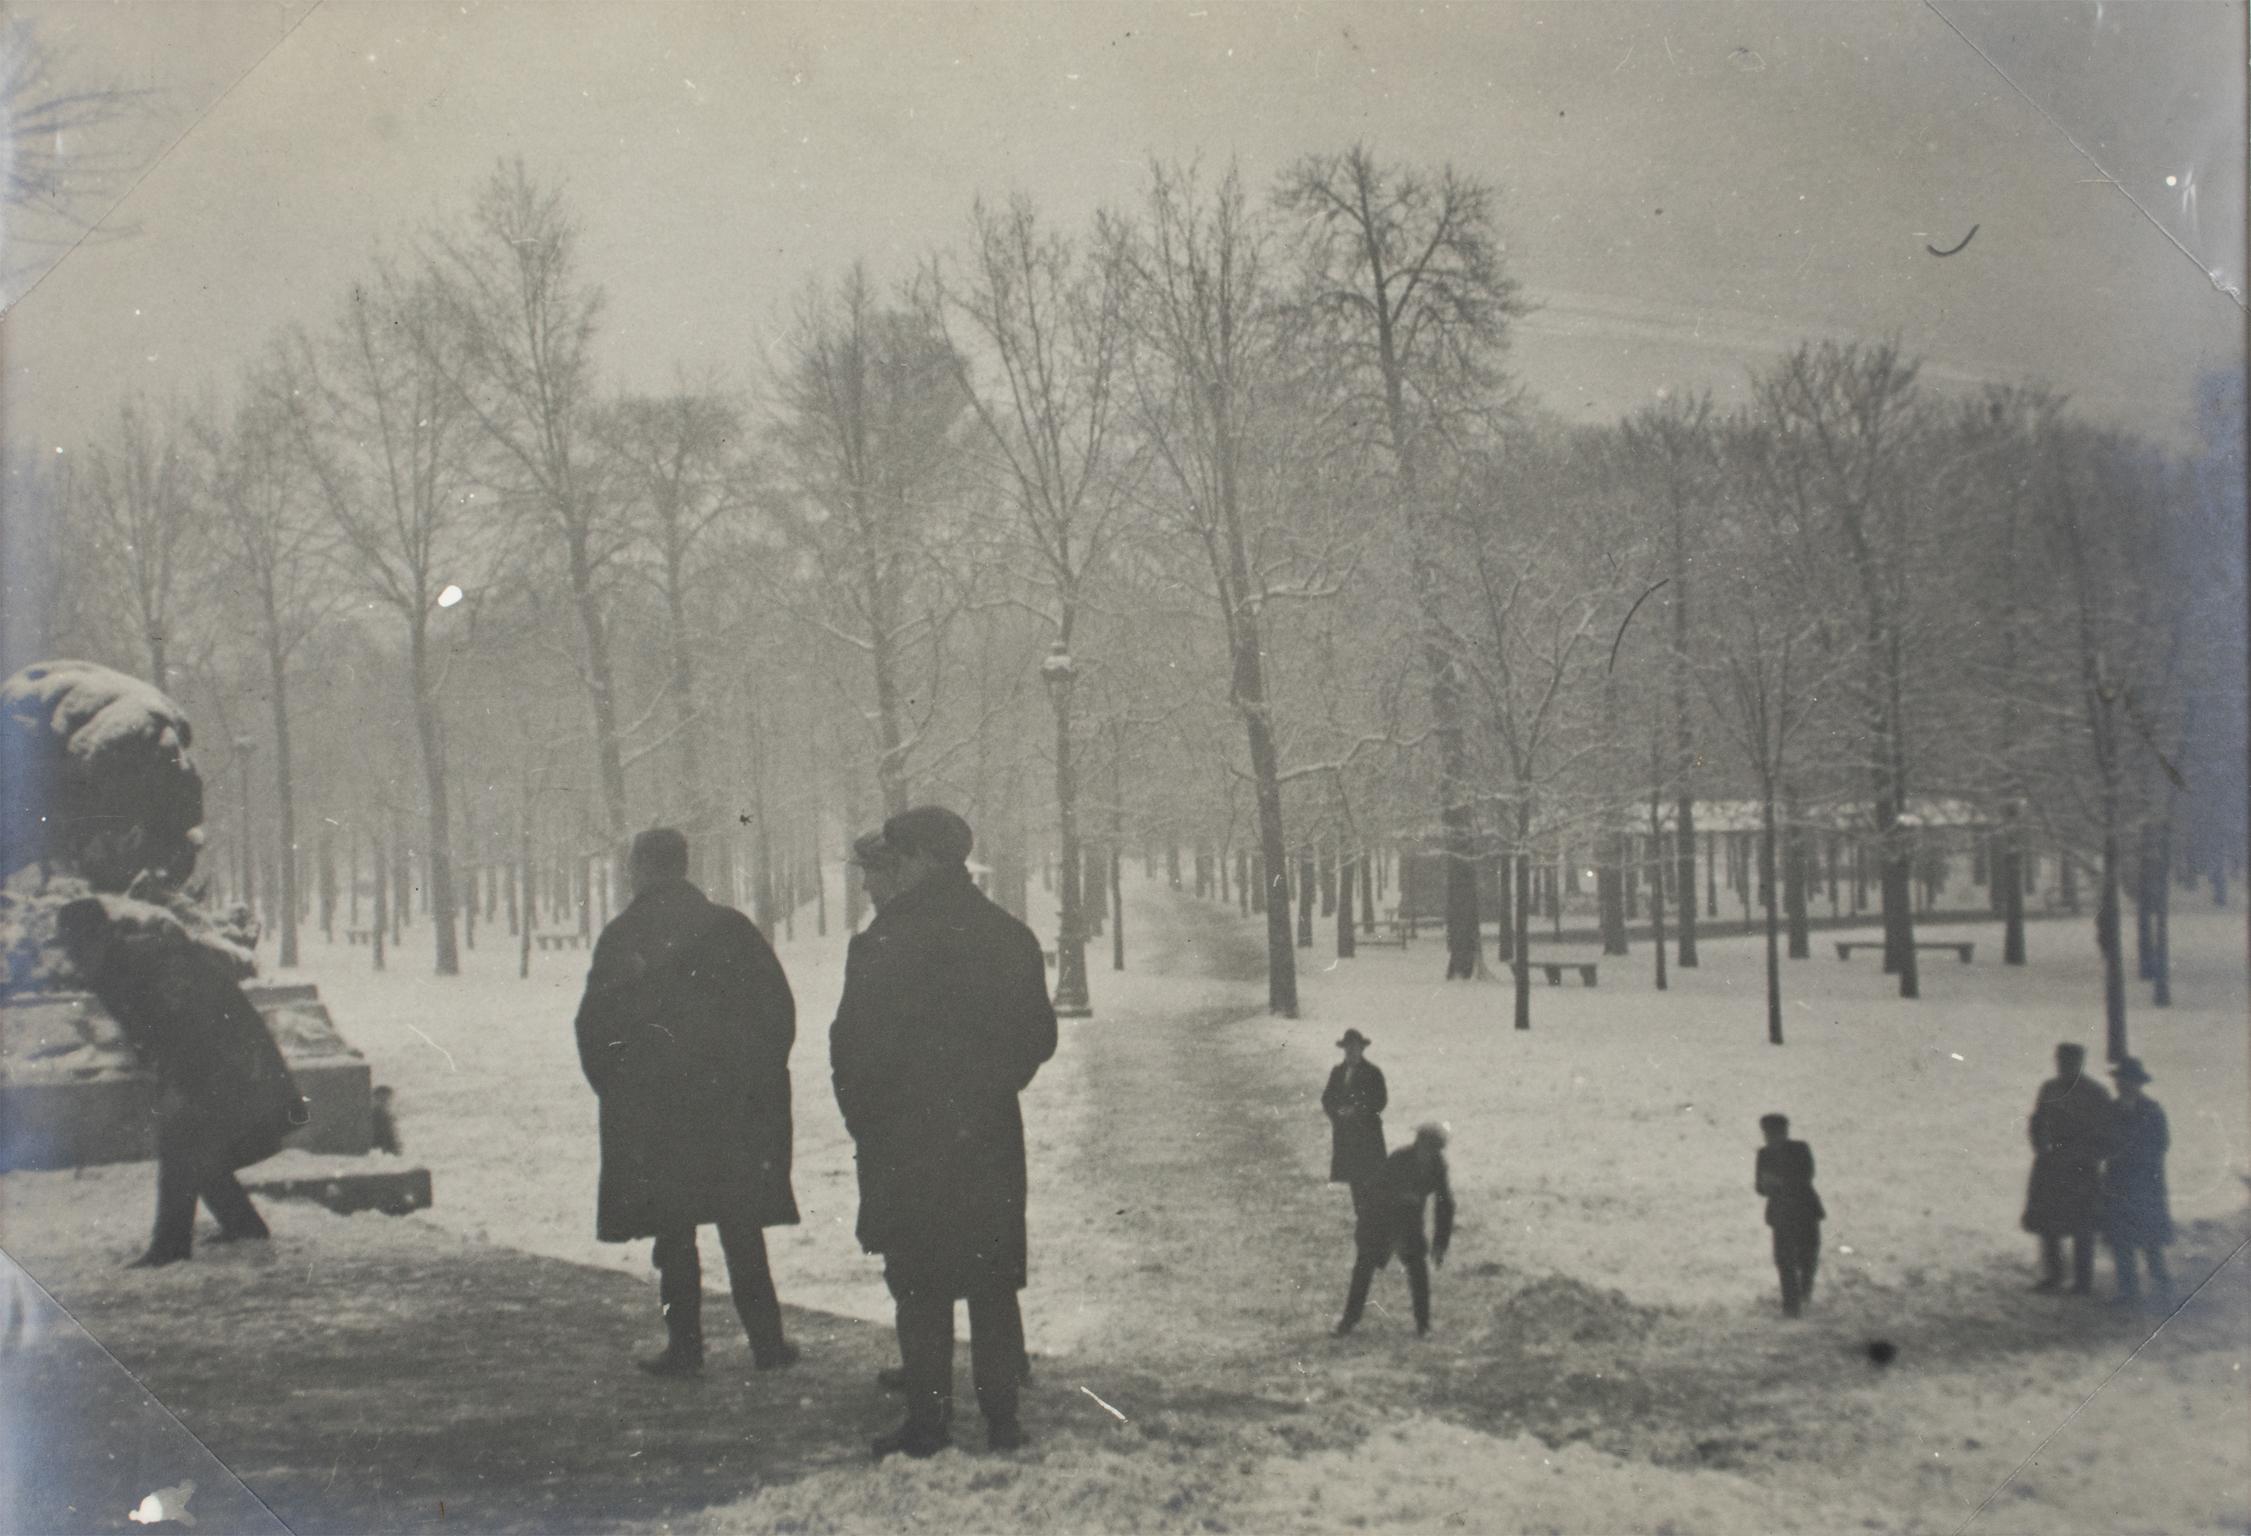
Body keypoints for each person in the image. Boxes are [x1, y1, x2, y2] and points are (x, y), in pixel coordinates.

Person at [831, 806, 1057, 1459]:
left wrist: (871, 1122)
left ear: (923, 859)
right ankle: (1001, 1421)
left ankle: (927, 1426)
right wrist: (987, 1090)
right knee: (989, 1277)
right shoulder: (1008, 936)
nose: (889, 870)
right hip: (986, 1131)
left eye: (898, 857)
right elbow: (1036, 1038)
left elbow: (851, 1052)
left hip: (905, 1139)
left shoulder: (882, 942)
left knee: (918, 1284)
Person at [573, 827, 801, 1377]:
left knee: (672, 1232)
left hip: (656, 1115)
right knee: (740, 1228)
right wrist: (752, 1082)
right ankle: (768, 1343)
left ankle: (685, 1348)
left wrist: (623, 1092)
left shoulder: (625, 936)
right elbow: (778, 1014)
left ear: (642, 870)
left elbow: (595, 1028)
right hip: (731, 1110)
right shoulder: (731, 929)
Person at [54, 897, 302, 1268]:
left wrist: (181, 1084)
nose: (72, 959)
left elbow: (190, 1022)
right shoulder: (118, 966)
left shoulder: (145, 963)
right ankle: (243, 1225)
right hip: (217, 1059)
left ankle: (170, 1246)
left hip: (229, 1058)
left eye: (76, 947)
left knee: (183, 1137)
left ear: (98, 939)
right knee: (198, 1142)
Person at [1334, 1125, 1454, 1338]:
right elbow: (1373, 1192)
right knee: (1363, 1270)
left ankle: (1423, 1325)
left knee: (1418, 1271)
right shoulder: (1399, 1159)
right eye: (1429, 1148)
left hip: (1409, 1224)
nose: (1432, 1154)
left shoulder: (1437, 1165)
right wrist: (1401, 1197)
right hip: (1380, 1221)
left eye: (1436, 1150)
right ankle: (1348, 1322)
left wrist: (1439, 1244)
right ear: (1419, 1144)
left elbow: (1445, 1205)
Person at [2022, 1041, 2112, 1295]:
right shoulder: (2049, 1089)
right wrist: (2041, 1148)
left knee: (2082, 1225)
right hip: (2052, 1165)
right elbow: (2037, 1121)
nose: (2064, 1066)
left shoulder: (2095, 1093)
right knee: (2049, 1224)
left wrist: (2089, 1156)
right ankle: (2053, 1275)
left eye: (2069, 1062)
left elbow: (2106, 1131)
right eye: (2060, 1061)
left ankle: (2083, 1281)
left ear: (2079, 1063)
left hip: (2081, 1168)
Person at [2103, 1057, 2173, 1304]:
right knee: (2121, 1237)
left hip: (2146, 1182)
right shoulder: (2110, 1110)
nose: (2123, 1085)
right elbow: (2102, 1141)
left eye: (2128, 1081)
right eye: (2120, 1080)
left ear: (2138, 1083)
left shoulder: (2152, 1109)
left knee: (2150, 1235)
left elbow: (2162, 1143)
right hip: (2118, 1182)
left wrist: (2137, 1156)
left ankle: (2161, 1280)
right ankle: (2128, 1289)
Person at [1755, 1113, 1826, 1317]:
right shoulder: (1764, 1154)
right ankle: (1791, 1308)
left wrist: (1780, 1181)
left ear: (1785, 1132)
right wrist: (1765, 1186)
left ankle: (1805, 1294)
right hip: (1780, 1215)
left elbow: (1807, 1175)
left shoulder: (1800, 1148)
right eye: (1767, 1134)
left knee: (1807, 1257)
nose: (1770, 1137)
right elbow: (1759, 1187)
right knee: (1784, 1260)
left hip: (1805, 1211)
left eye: (1775, 1133)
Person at [1321, 1028, 1388, 1223]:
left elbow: (1380, 1100)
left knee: (1371, 1177)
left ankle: (1375, 1217)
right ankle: (1362, 1215)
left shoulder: (1373, 1073)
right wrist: (1337, 1112)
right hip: (1346, 1135)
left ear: (1362, 1049)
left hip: (1368, 1135)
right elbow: (1327, 1098)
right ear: (1344, 1050)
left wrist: (1358, 1110)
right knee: (1355, 1179)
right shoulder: (1337, 1072)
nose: (1352, 1052)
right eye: (1348, 1049)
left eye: (1355, 1048)